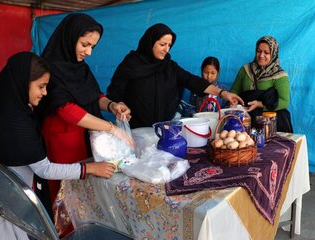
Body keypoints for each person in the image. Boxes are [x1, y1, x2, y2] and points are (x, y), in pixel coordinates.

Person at [0, 52, 117, 240]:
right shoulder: (17, 122)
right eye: (41, 86)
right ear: (23, 82)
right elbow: (44, 169)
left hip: (8, 193)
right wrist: (90, 168)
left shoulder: (8, 104)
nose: (45, 93)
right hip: (15, 201)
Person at [37, 13, 134, 217]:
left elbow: (93, 95)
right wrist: (112, 128)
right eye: (85, 44)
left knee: (85, 196)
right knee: (66, 196)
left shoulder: (80, 68)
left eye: (93, 47)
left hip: (85, 136)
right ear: (70, 37)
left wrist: (112, 105)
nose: (89, 52)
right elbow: (67, 110)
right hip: (62, 141)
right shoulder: (49, 68)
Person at [106, 23, 244, 129]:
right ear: (150, 42)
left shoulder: (169, 66)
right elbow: (114, 92)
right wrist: (119, 104)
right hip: (136, 130)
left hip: (163, 129)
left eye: (169, 45)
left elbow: (192, 81)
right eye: (162, 44)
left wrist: (222, 93)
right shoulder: (131, 64)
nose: (167, 49)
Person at [230, 36, 293, 132]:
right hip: (246, 120)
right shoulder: (245, 70)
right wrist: (233, 100)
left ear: (273, 54)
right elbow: (234, 91)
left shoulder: (279, 76)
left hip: (270, 123)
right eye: (259, 51)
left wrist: (260, 104)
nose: (261, 55)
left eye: (266, 53)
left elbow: (284, 101)